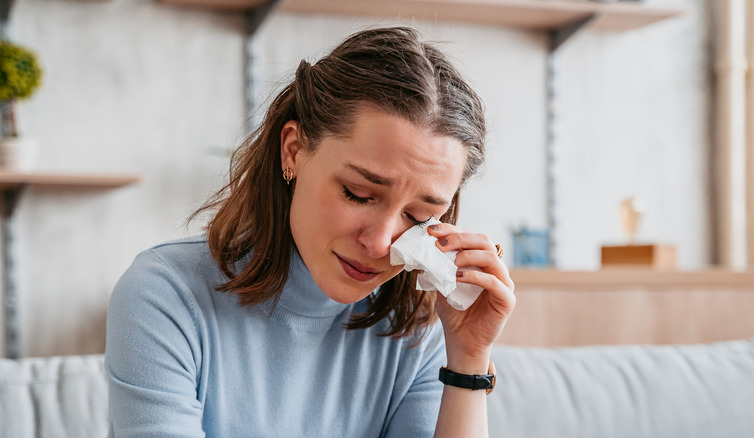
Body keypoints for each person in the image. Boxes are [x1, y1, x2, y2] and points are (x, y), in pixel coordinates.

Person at [105, 26, 515, 437]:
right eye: (357, 194)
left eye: (419, 216)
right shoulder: (165, 295)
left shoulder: (413, 331)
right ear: (294, 150)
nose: (379, 244)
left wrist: (468, 360)